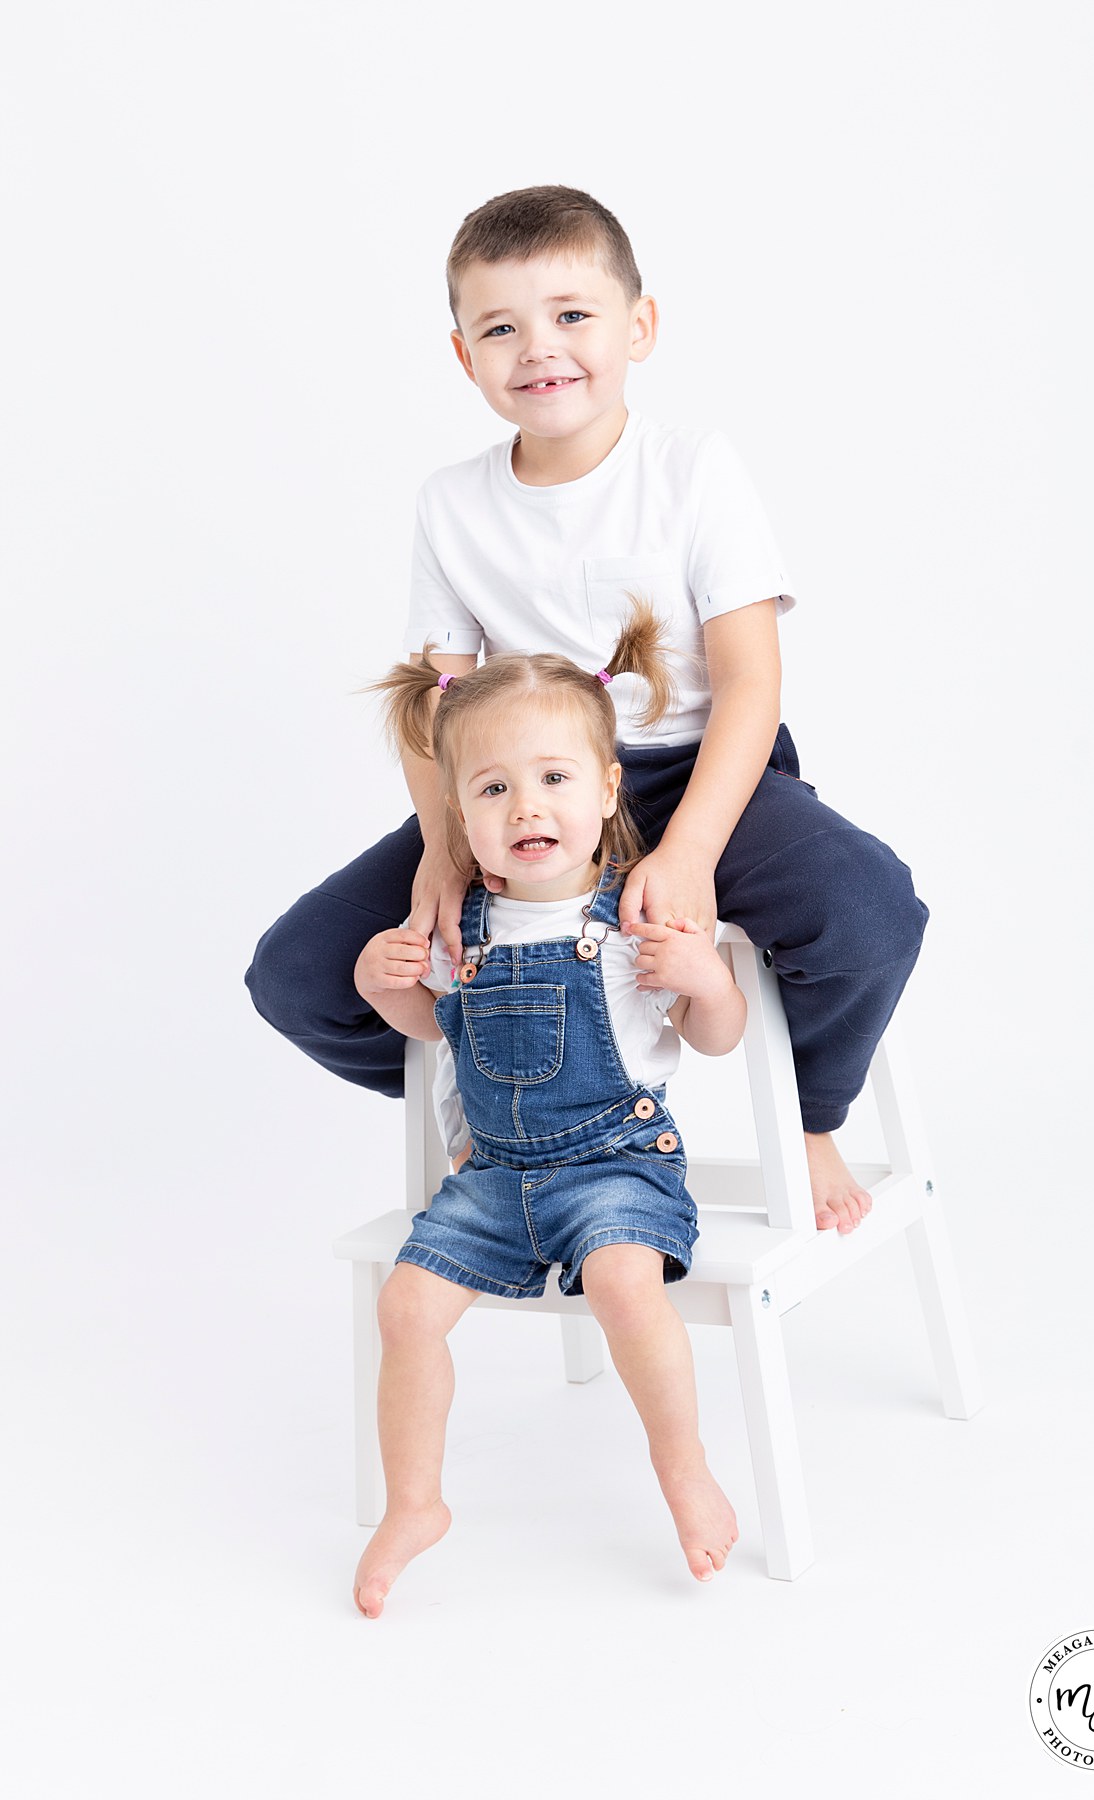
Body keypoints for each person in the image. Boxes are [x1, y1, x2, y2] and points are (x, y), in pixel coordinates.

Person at [245, 181, 929, 1236]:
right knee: (298, 973)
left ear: (638, 326)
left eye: (572, 314)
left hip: (694, 772)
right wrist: (443, 846)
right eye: (500, 328)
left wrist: (690, 850)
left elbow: (752, 682)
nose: (539, 349)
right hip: (518, 792)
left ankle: (811, 1117)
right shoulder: (451, 502)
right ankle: (518, 1099)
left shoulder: (692, 469)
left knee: (869, 909)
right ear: (463, 355)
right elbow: (437, 699)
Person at [350, 603, 745, 1615]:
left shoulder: (635, 914)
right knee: (404, 1308)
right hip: (493, 1179)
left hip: (616, 1166)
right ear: (459, 818)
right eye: (493, 788)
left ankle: (684, 1469)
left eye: (555, 779)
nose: (527, 805)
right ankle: (414, 1503)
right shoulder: (461, 927)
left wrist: (705, 980)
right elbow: (436, 1028)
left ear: (607, 789)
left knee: (623, 1283)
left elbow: (715, 1036)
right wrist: (381, 987)